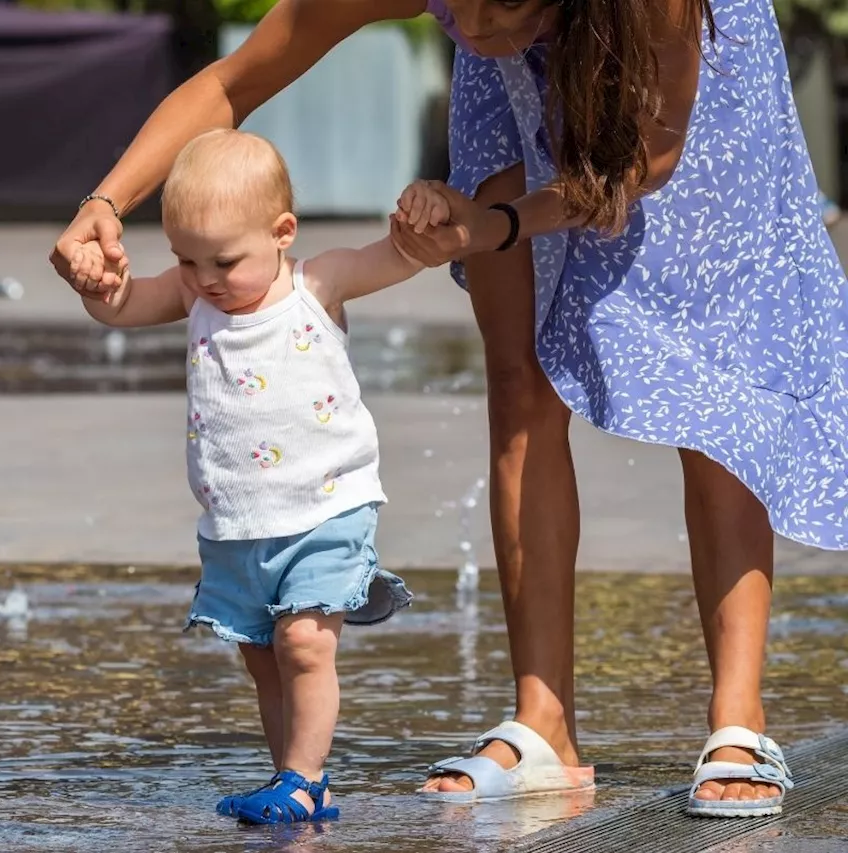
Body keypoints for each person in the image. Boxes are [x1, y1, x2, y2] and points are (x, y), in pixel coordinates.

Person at [52, 0, 847, 817]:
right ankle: (545, 723)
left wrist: (498, 222)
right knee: (519, 379)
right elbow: (233, 80)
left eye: (492, 11)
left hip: (675, 97)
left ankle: (738, 716)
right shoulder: (479, 31)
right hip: (510, 96)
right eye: (451, 8)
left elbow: (640, 166)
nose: (464, 30)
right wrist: (106, 204)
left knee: (718, 381)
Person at [74, 128, 416, 823]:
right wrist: (95, 286)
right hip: (237, 524)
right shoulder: (195, 292)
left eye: (223, 261)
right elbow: (122, 306)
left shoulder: (319, 284)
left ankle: (302, 778)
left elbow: (402, 256)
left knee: (303, 642)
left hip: (326, 508)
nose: (202, 278)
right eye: (185, 259)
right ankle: (289, 778)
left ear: (282, 232)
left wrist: (425, 224)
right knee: (264, 658)